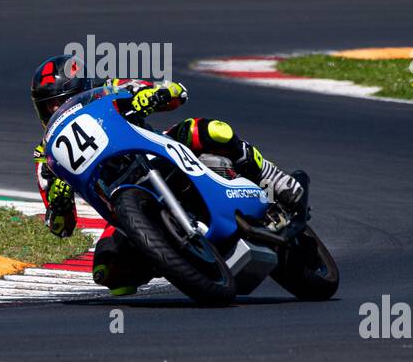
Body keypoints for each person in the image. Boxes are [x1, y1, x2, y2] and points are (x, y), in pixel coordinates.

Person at [31, 52, 304, 296]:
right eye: (49, 107)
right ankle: (175, 256)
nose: (57, 110)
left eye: (61, 101)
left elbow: (176, 92)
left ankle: (273, 179)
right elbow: (62, 228)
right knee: (108, 271)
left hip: (158, 154)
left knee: (211, 131)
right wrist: (60, 202)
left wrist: (156, 95)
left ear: (85, 88)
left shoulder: (110, 90)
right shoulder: (47, 157)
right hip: (119, 204)